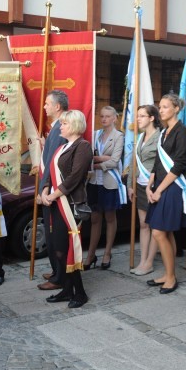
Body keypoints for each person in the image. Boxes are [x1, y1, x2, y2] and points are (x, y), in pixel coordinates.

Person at [41, 110, 93, 308]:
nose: (60, 127)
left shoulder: (83, 146)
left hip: (70, 204)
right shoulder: (61, 148)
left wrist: (54, 195)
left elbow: (75, 177)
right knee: (58, 249)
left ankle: (79, 293)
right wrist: (45, 190)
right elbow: (48, 172)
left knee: (68, 249)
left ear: (73, 125)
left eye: (63, 124)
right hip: (56, 204)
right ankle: (66, 289)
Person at [145, 93, 186, 294]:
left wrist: (160, 189)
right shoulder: (163, 132)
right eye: (160, 106)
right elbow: (157, 161)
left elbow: (180, 164)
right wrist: (150, 184)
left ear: (176, 109)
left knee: (158, 232)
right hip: (159, 186)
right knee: (165, 232)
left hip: (172, 187)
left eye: (165, 107)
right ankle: (167, 272)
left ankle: (171, 278)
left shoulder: (182, 132)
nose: (161, 110)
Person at [84, 106, 125, 270]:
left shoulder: (119, 136)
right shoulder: (95, 134)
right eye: (102, 116)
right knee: (94, 219)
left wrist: (96, 161)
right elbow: (87, 157)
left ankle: (107, 252)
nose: (104, 119)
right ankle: (91, 254)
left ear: (115, 118)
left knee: (109, 217)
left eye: (108, 116)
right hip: (94, 182)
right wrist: (103, 159)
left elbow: (115, 161)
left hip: (109, 182)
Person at [37, 90, 68, 291]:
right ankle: (57, 270)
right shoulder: (56, 128)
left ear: (58, 107)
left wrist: (44, 189)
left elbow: (52, 163)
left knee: (54, 236)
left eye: (48, 103)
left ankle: (59, 277)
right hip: (52, 188)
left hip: (54, 191)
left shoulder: (60, 129)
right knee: (52, 235)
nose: (44, 106)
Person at [126, 105, 162, 276]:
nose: (138, 119)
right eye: (137, 115)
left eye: (142, 116)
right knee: (143, 224)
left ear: (152, 118)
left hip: (154, 186)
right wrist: (130, 184)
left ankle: (149, 262)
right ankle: (142, 260)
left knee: (155, 225)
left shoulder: (160, 137)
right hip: (140, 185)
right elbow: (134, 162)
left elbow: (162, 163)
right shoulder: (140, 137)